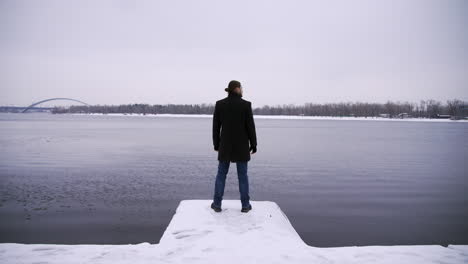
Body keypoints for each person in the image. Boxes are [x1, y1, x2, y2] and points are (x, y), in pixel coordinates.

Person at [211, 80, 257, 213]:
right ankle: (245, 205)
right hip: (242, 146)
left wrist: (216, 144)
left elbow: (215, 128)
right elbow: (250, 127)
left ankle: (217, 204)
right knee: (243, 176)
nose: (242, 90)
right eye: (241, 88)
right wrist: (253, 144)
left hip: (225, 146)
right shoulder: (246, 105)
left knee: (221, 175)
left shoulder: (220, 104)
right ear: (236, 89)